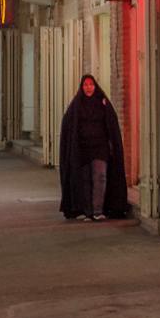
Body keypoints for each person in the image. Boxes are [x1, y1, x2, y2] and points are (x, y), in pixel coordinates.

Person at [58, 74, 130, 222]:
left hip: (100, 148)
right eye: (85, 85)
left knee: (100, 177)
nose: (88, 87)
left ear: (95, 86)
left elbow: (111, 124)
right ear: (81, 87)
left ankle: (98, 210)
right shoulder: (77, 105)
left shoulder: (103, 103)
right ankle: (87, 211)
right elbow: (68, 124)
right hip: (83, 150)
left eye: (91, 84)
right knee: (85, 180)